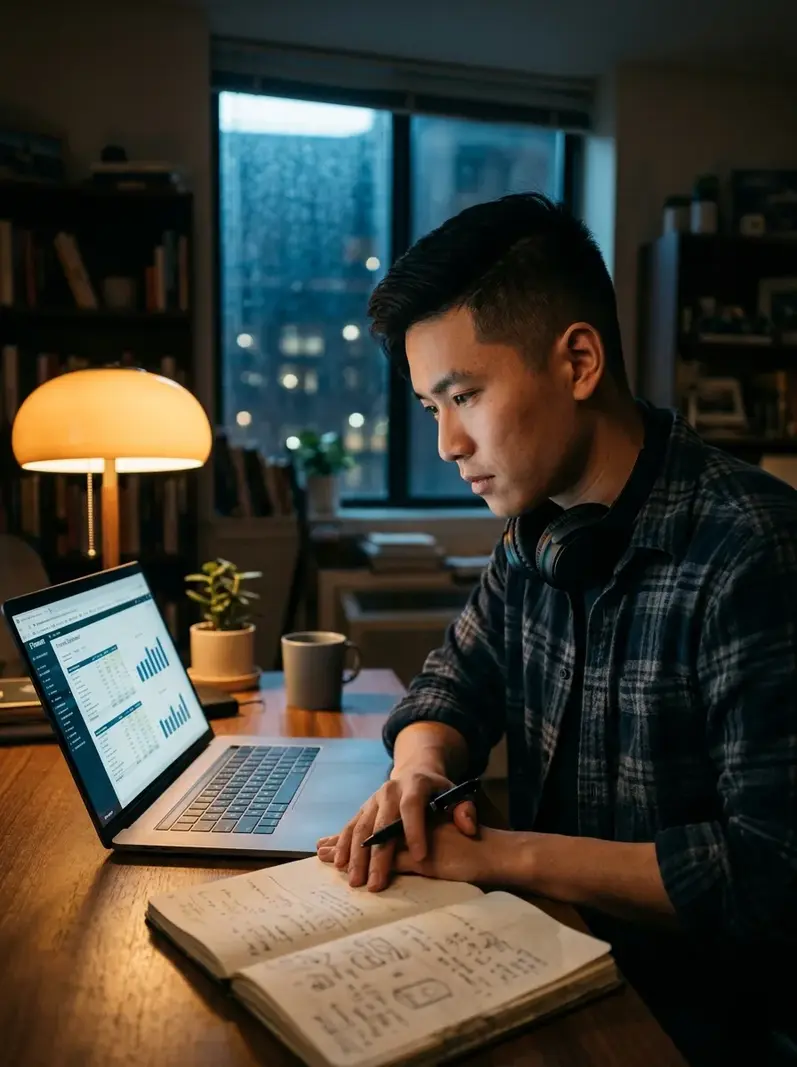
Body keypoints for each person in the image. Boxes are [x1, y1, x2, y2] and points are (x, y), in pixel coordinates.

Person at [315, 193, 797, 1065]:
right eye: (431, 407)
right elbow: (452, 682)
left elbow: (769, 871)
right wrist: (417, 768)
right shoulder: (536, 532)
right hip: (558, 964)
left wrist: (502, 857)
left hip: (699, 1027)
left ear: (577, 360)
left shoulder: (753, 550)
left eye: (463, 394)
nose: (448, 443)